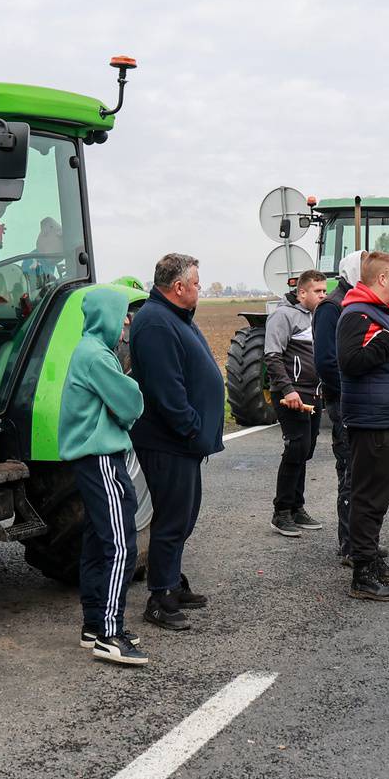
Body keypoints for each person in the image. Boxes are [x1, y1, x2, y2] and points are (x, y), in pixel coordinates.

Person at [129, 252, 225, 632]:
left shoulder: (174, 317)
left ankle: (172, 579)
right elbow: (166, 389)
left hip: (185, 442)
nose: (201, 288)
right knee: (171, 519)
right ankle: (160, 597)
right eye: (198, 283)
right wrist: (190, 428)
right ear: (179, 287)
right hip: (168, 440)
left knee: (184, 516)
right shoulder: (155, 323)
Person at [57, 286, 149, 665]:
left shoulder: (87, 351)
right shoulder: (97, 356)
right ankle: (110, 634)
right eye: (121, 313)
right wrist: (129, 404)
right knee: (121, 544)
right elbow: (130, 402)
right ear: (106, 317)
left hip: (91, 459)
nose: (127, 320)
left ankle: (94, 623)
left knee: (97, 542)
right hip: (101, 458)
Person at [337, 250, 389, 601]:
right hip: (373, 421)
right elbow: (350, 362)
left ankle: (371, 559)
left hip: (385, 417)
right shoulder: (357, 314)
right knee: (368, 498)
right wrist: (386, 338)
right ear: (381, 279)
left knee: (378, 496)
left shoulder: (377, 312)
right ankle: (363, 575)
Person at [266, 269, 328, 538]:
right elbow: (272, 356)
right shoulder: (283, 315)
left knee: (306, 450)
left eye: (325, 291)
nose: (323, 295)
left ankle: (297, 507)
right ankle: (281, 513)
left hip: (314, 396)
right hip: (291, 396)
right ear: (302, 292)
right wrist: (288, 390)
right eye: (318, 291)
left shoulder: (317, 316)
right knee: (295, 449)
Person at [313, 252, 361, 566]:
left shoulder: (352, 302)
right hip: (344, 401)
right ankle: (349, 544)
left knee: (361, 473)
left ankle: (360, 540)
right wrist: (349, 392)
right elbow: (327, 362)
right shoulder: (331, 307)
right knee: (349, 472)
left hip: (355, 400)